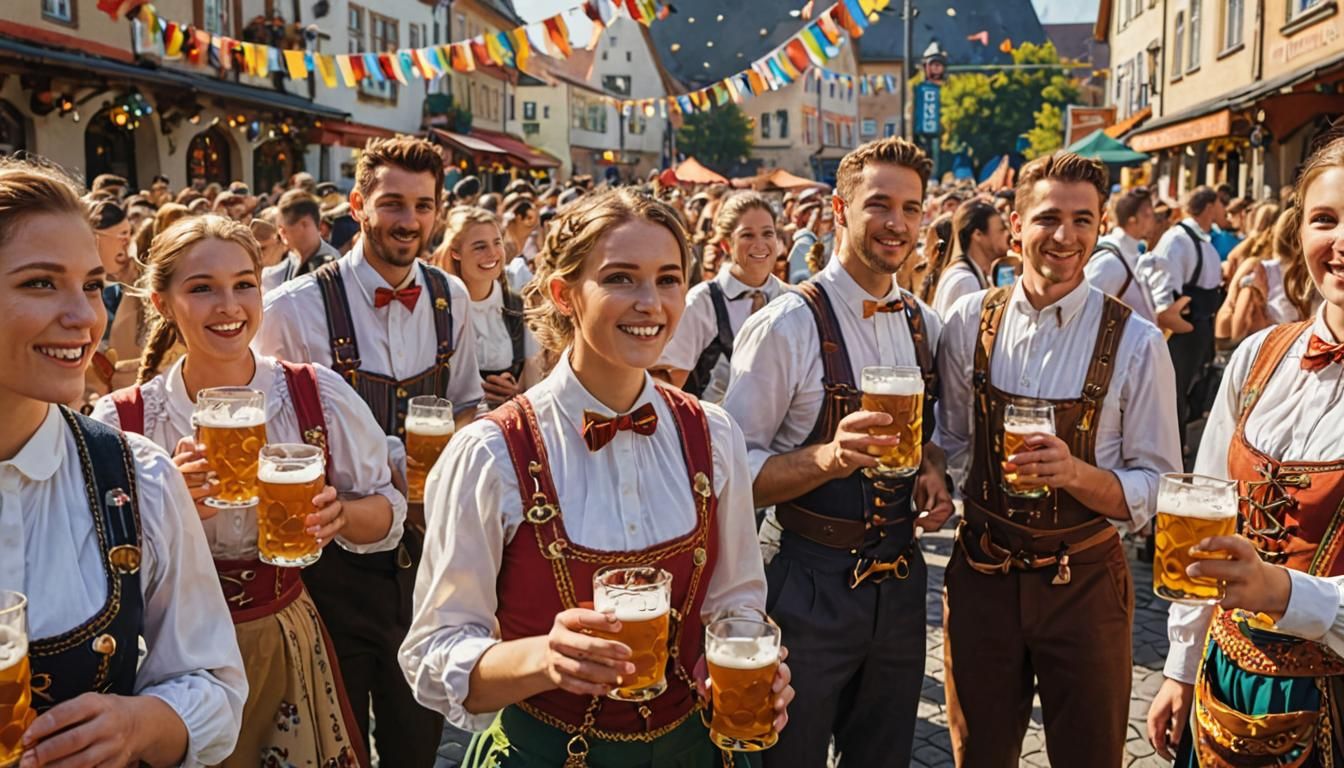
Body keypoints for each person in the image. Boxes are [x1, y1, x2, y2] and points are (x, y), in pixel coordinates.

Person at [400, 188, 792, 767]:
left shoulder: (713, 434)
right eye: (620, 279)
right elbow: (434, 654)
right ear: (564, 294)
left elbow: (735, 602)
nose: (651, 303)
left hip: (699, 751)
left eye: (668, 279)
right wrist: (544, 658)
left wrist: (741, 661)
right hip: (548, 752)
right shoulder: (490, 452)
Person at [92, 214, 404, 767]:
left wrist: (340, 517)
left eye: (243, 284)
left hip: (286, 642)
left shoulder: (314, 393)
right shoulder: (123, 422)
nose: (229, 305)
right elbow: (91, 569)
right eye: (202, 288)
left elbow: (387, 510)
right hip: (173, 663)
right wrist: (165, 511)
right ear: (162, 304)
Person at [936, 151, 1182, 766]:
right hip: (983, 575)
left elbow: (1159, 486)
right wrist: (930, 470)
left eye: (1082, 219)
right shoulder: (968, 320)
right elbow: (951, 437)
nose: (1065, 236)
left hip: (1086, 583)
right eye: (1048, 218)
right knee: (979, 754)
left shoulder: (1137, 341)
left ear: (1100, 227)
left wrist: (1074, 473)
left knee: (1090, 755)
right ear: (1015, 227)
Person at [0, 156, 246, 766]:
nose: (86, 317)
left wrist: (143, 723)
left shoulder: (137, 475)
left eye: (90, 284)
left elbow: (214, 683)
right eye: (39, 283)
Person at [721, 137, 953, 768]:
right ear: (839, 209)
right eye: (879, 204)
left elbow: (929, 437)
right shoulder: (786, 324)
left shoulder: (923, 324)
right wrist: (828, 457)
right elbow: (730, 473)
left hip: (901, 583)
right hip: (805, 579)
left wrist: (932, 468)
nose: (897, 223)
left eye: (910, 208)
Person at [256, 135, 483, 767]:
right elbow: (272, 438)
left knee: (419, 739)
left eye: (422, 205)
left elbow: (467, 401)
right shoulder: (294, 309)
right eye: (392, 203)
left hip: (427, 556)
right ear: (357, 204)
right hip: (334, 562)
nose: (408, 221)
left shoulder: (451, 296)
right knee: (339, 741)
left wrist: (455, 445)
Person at [1147, 135, 1344, 766]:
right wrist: (1179, 666)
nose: (1341, 242)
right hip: (1223, 686)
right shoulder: (1261, 357)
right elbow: (1205, 510)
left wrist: (1284, 592)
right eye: (1326, 219)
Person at [656, 192, 790, 403]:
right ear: (727, 244)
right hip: (715, 432)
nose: (760, 244)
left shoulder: (790, 299)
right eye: (747, 235)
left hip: (782, 433)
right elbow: (667, 382)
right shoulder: (703, 302)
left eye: (768, 234)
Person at [1138, 185, 1226, 453]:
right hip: (1181, 332)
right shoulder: (1177, 239)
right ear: (1210, 206)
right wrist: (1172, 317)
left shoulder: (1201, 239)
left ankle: (1179, 446)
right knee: (1172, 394)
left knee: (1191, 392)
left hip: (1199, 327)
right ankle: (1169, 454)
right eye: (1221, 204)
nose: (1224, 209)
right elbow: (1163, 283)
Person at [432, 206, 543, 409]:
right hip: (451, 427)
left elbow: (534, 377)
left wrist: (517, 395)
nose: (493, 254)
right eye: (480, 247)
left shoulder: (517, 305)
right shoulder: (437, 308)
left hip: (504, 426)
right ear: (456, 252)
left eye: (497, 242)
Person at [1088, 187, 1160, 324]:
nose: (1153, 221)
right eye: (1148, 215)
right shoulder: (1110, 262)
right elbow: (1084, 314)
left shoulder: (1130, 253)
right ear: (1132, 220)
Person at [932, 198, 1008, 318]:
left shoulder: (968, 274)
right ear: (978, 235)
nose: (1007, 235)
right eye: (1001, 230)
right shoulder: (966, 282)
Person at [260, 189, 341, 294]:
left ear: (304, 224)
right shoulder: (290, 261)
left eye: (283, 229)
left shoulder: (333, 266)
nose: (280, 235)